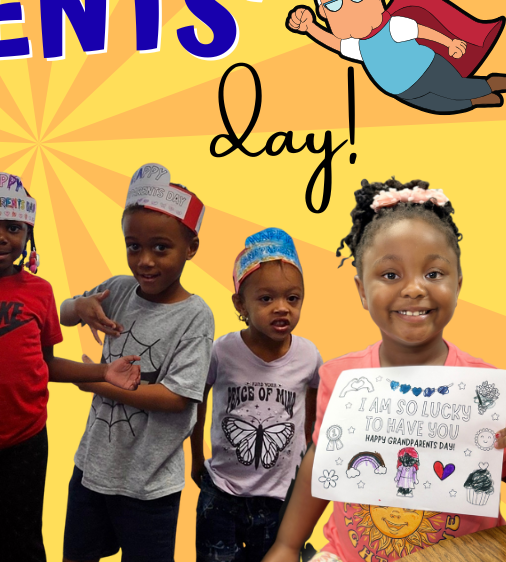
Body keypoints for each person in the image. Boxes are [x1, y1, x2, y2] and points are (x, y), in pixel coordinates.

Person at [262, 178, 506, 562]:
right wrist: (288, 544)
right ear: (362, 290)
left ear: (458, 284)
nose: (414, 289)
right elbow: (322, 459)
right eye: (391, 275)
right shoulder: (342, 378)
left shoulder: (486, 390)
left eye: (434, 273)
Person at [0, 172, 142, 562]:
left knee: (25, 540)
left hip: (27, 441)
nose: (0, 237)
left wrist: (103, 372)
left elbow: (46, 364)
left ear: (28, 235)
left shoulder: (40, 292)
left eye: (13, 228)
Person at [58, 162, 215, 562]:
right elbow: (62, 314)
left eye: (161, 247)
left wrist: (96, 383)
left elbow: (178, 397)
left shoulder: (195, 315)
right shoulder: (118, 289)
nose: (144, 260)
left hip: (150, 484)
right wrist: (81, 306)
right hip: (92, 469)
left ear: (191, 247)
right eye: (133, 246)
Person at [191, 228, 322, 562]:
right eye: (266, 299)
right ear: (240, 304)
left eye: (293, 298)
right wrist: (195, 456)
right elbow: (197, 400)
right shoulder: (222, 351)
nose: (282, 308)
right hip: (222, 493)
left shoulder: (308, 356)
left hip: (281, 498)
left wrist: (308, 465)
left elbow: (313, 411)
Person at [286, 0, 505, 113]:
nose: (347, 7)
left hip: (429, 72)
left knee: (459, 90)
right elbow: (335, 43)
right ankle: (476, 101)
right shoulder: (358, 46)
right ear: (324, 12)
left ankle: (493, 83)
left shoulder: (394, 26)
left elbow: (422, 31)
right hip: (404, 92)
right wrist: (310, 28)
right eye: (334, 4)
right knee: (441, 106)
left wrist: (449, 43)